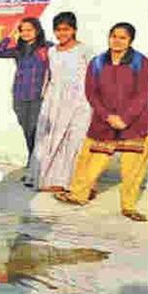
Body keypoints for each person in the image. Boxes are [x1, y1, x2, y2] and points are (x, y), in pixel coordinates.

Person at [55, 23, 148, 222]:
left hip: (136, 124)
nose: (117, 40)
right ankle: (78, 195)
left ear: (130, 40)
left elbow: (143, 94)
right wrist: (108, 116)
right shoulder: (97, 62)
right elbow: (91, 93)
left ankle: (129, 206)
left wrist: (125, 119)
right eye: (114, 36)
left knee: (133, 168)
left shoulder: (141, 63)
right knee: (89, 160)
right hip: (103, 122)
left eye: (122, 37)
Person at [29, 12, 93, 193]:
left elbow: (93, 76)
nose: (61, 34)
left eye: (66, 29)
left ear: (74, 30)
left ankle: (71, 182)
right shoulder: (51, 51)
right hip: (54, 100)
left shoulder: (85, 50)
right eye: (58, 30)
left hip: (79, 101)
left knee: (74, 140)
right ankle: (48, 179)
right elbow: (49, 76)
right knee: (50, 138)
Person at [0, 18, 51, 173]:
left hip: (38, 96)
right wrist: (10, 35)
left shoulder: (47, 48)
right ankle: (33, 161)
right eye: (22, 30)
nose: (25, 33)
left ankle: (38, 163)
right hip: (19, 95)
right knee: (26, 130)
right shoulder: (19, 49)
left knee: (35, 130)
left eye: (29, 30)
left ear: (37, 31)